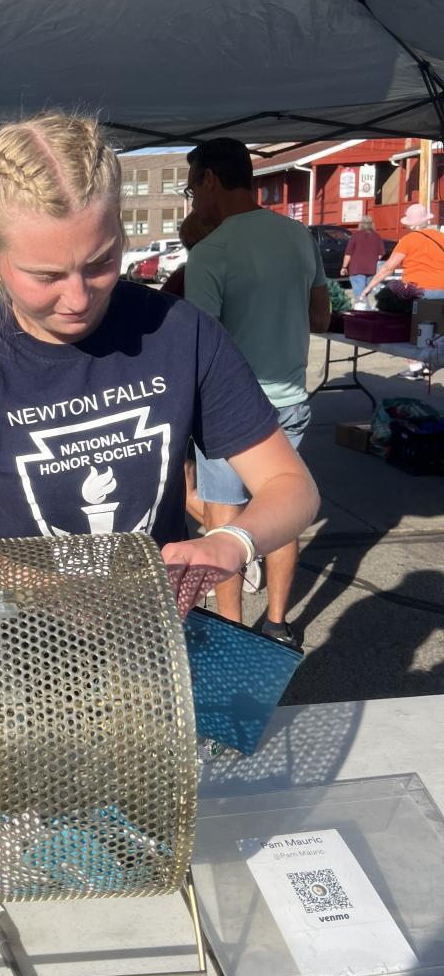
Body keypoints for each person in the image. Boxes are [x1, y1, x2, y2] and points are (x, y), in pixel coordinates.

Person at [0, 115, 319, 618]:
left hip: (153, 632)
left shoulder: (180, 332)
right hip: (16, 640)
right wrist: (56, 593)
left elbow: (292, 487)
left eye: (99, 263)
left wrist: (232, 541)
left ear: (118, 226)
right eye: (46, 275)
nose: (78, 298)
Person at [183, 137, 330, 647]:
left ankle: (231, 632)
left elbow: (200, 344)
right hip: (290, 400)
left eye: (191, 189)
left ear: (210, 179)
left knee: (224, 522)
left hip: (229, 409)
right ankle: (277, 624)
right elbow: (321, 317)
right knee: (281, 510)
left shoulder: (211, 252)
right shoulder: (298, 235)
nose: (194, 200)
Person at [361, 203, 444, 378]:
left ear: (411, 224)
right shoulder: (441, 238)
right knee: (438, 331)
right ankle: (429, 364)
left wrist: (368, 288)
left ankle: (415, 367)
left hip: (419, 292)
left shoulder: (408, 240)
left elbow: (388, 267)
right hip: (442, 290)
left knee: (412, 330)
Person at [339, 215, 385, 305]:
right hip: (371, 270)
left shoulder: (355, 235)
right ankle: (367, 310)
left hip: (357, 269)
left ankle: (363, 311)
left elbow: (348, 254)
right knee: (365, 295)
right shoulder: (377, 236)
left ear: (361, 224)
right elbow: (380, 255)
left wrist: (344, 267)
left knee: (360, 297)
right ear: (372, 224)